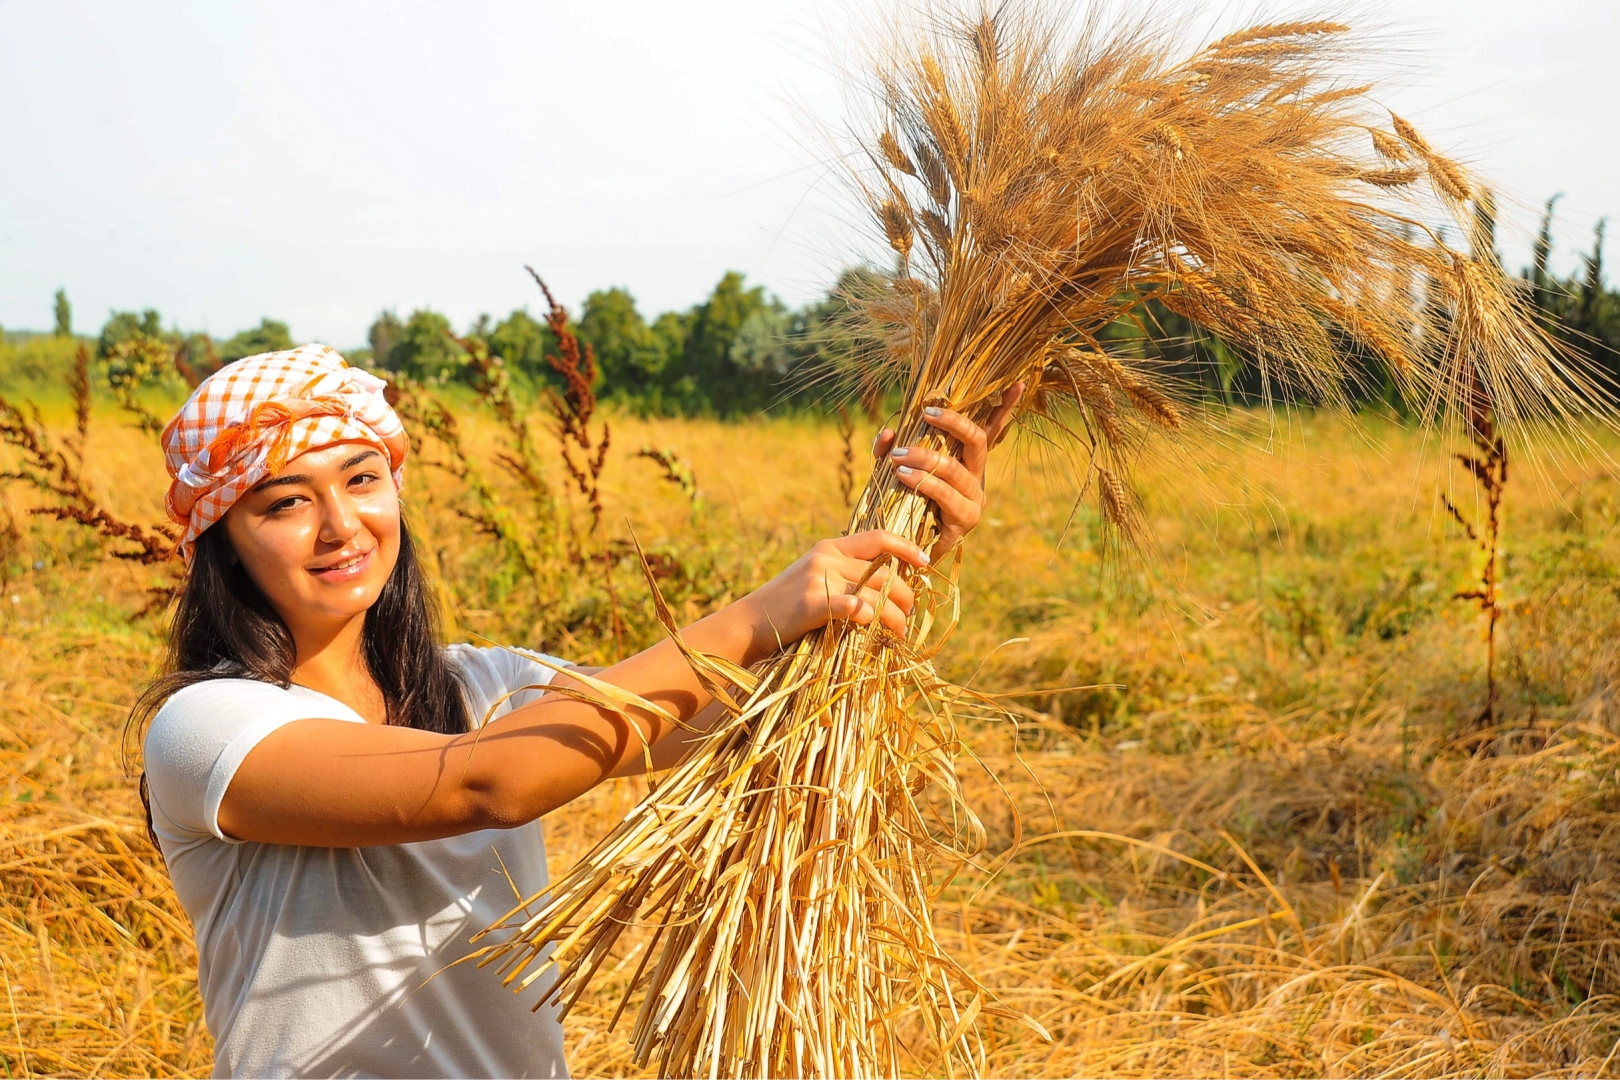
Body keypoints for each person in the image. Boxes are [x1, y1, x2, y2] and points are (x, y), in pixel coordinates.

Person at [134, 344, 1021, 1078]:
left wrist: (900, 546)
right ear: (223, 540)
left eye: (362, 479)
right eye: (286, 502)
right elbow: (484, 785)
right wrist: (764, 608)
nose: (341, 525)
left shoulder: (487, 686)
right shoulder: (208, 728)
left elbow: (748, 719)